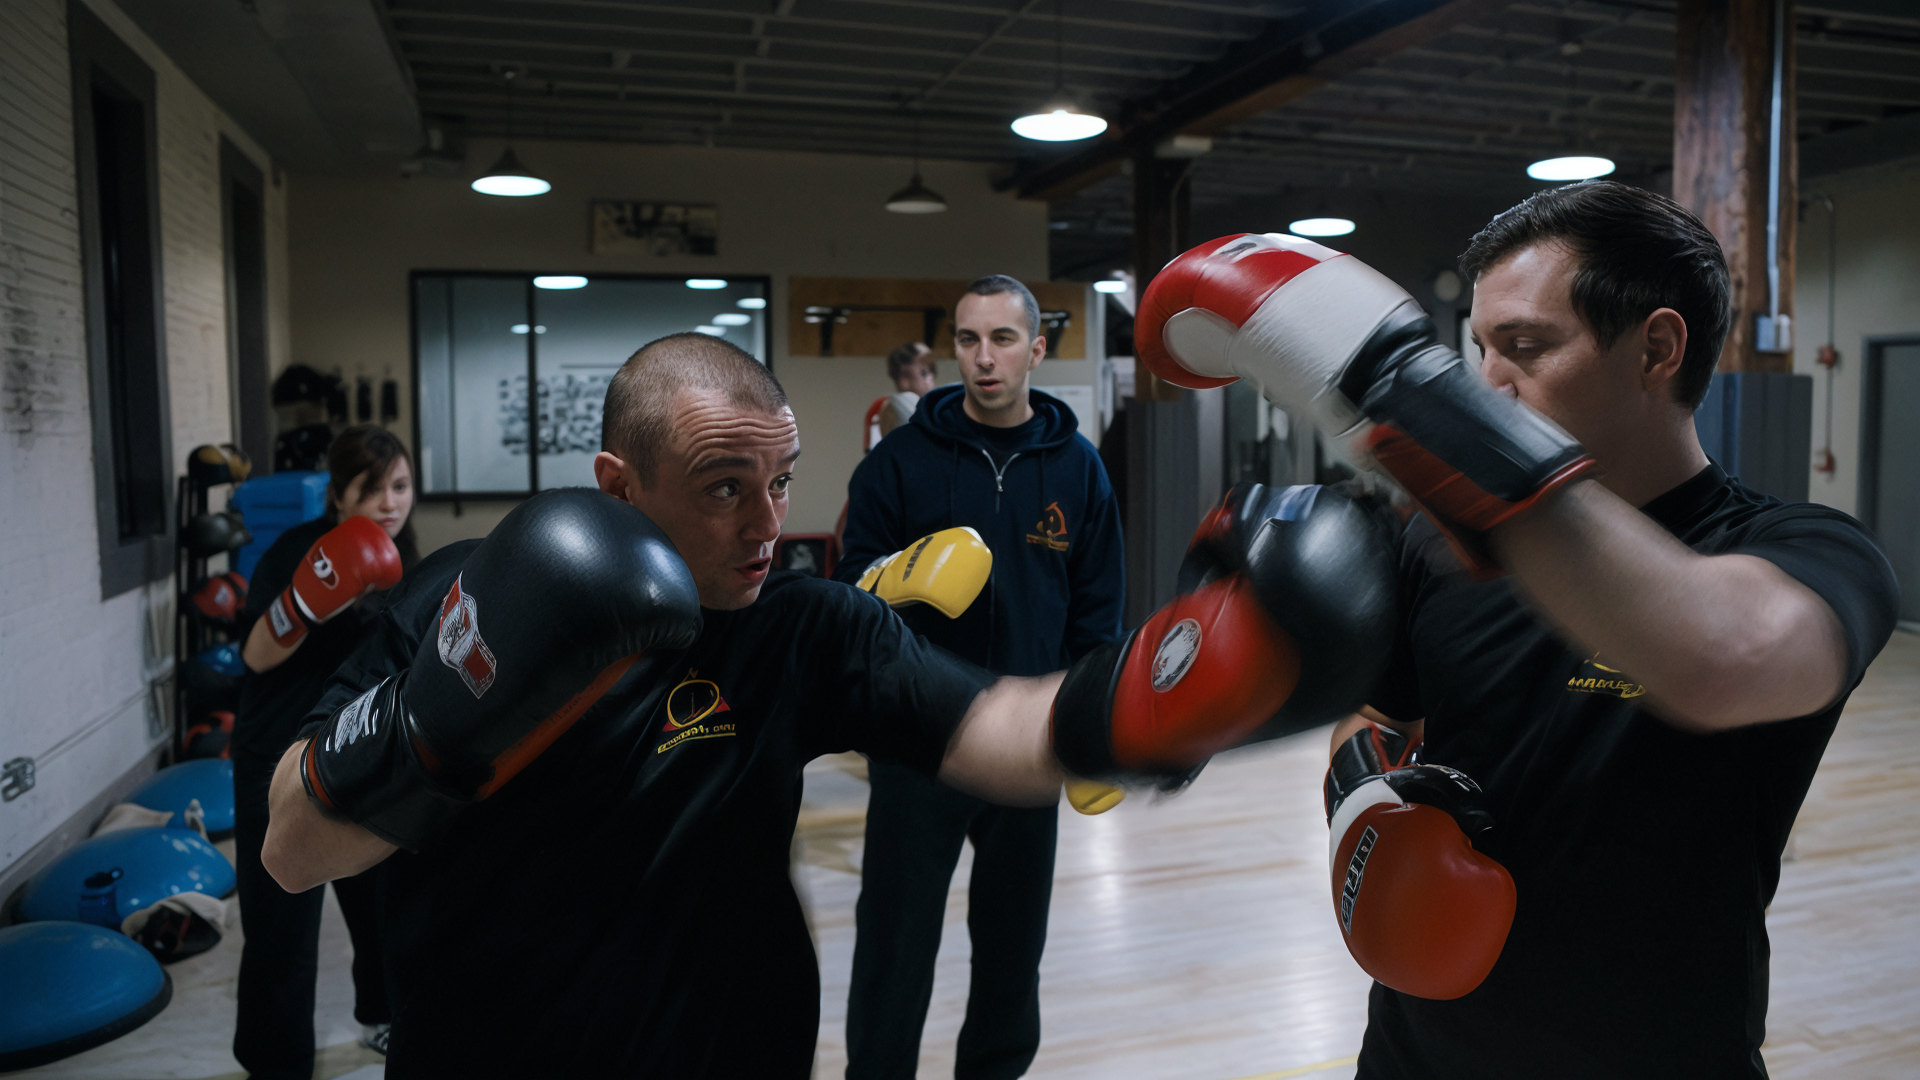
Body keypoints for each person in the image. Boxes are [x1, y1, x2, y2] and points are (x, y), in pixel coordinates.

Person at [257, 331, 1389, 1079]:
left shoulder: (802, 626)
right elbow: (293, 850)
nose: (766, 523)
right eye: (722, 488)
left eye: (781, 481)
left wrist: (1178, 698)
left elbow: (999, 731)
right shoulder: (459, 595)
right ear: (620, 485)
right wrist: (443, 719)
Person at [1133, 181, 1900, 1079]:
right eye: (1480, 351)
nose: (1492, 382)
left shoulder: (1803, 551)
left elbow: (1721, 656)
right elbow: (1381, 720)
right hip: (1418, 1050)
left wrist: (1397, 391)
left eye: (1527, 347)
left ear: (1656, 347)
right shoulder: (1437, 542)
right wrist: (1368, 814)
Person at [837, 275, 1124, 1080]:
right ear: (950, 348)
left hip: (1029, 740)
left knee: (1011, 950)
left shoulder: (1079, 471)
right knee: (893, 946)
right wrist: (901, 574)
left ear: (1036, 348)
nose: (984, 358)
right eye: (968, 340)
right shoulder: (897, 465)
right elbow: (849, 588)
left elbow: (1097, 612)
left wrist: (1090, 727)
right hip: (919, 738)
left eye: (1002, 339)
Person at [232, 425, 417, 1077]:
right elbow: (255, 655)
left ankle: (385, 1015)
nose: (390, 504)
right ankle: (275, 1061)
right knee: (280, 916)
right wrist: (308, 598)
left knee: (382, 897)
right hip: (276, 751)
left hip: (358, 745)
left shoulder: (403, 554)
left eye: (400, 487)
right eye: (372, 490)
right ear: (338, 496)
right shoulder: (294, 549)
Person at [866, 341, 938, 451]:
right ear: (903, 379)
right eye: (924, 373)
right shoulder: (884, 407)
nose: (931, 378)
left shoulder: (937, 406)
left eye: (932, 371)